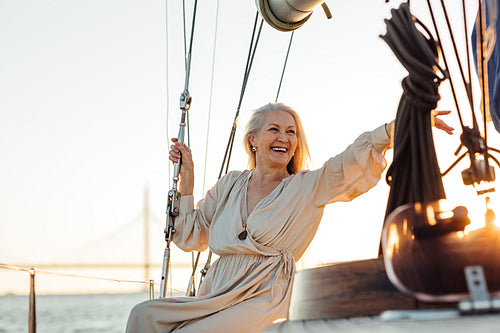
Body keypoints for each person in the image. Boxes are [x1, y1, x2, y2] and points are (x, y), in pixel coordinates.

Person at [126, 103, 453, 333]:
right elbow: (188, 236)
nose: (284, 138)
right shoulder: (230, 184)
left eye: (291, 132)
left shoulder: (307, 187)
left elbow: (349, 160)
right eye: (274, 129)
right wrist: (188, 177)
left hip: (265, 294)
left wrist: (403, 125)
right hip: (216, 291)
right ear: (253, 140)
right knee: (144, 315)